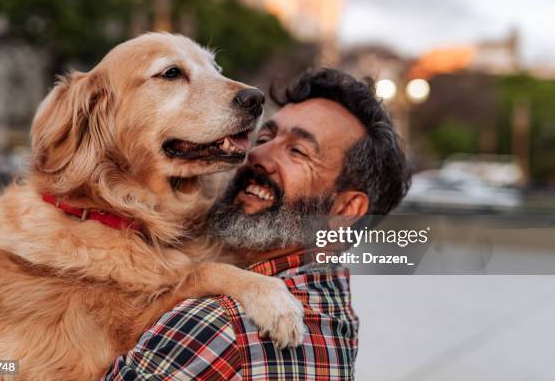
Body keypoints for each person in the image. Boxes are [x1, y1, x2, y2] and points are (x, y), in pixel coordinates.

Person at [104, 68, 410, 380]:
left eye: (297, 151)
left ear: (345, 209)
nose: (256, 155)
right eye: (264, 137)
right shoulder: (333, 315)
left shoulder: (220, 327)